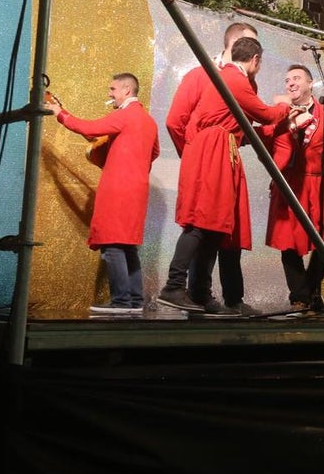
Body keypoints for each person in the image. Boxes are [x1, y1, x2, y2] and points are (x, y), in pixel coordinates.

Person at [157, 37, 296, 312]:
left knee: (214, 224)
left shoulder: (232, 81)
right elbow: (267, 116)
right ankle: (173, 286)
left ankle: (198, 292)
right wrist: (286, 105)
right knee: (201, 221)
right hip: (213, 150)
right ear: (255, 60)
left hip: (220, 148)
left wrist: (288, 123)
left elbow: (251, 131)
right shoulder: (233, 79)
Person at [166, 22, 261, 316]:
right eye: (250, 44)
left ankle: (206, 294)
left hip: (227, 160)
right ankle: (187, 289)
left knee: (221, 228)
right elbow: (175, 121)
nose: (256, 53)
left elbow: (241, 128)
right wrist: (197, 154)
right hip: (206, 159)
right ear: (234, 43)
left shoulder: (247, 82)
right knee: (203, 221)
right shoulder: (202, 75)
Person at [46, 73, 160, 315]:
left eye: (113, 89)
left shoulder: (124, 116)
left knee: (112, 244)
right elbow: (155, 152)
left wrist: (60, 114)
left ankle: (121, 302)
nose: (110, 94)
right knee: (128, 245)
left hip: (118, 188)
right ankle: (135, 300)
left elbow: (88, 127)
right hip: (138, 188)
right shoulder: (148, 121)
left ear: (127, 91)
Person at [265, 64, 324, 313]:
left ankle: (307, 292)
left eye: (296, 78)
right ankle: (300, 296)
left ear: (310, 84)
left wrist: (320, 170)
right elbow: (269, 139)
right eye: (287, 79)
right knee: (288, 242)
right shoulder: (281, 113)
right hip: (290, 182)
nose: (290, 83)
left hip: (318, 183)